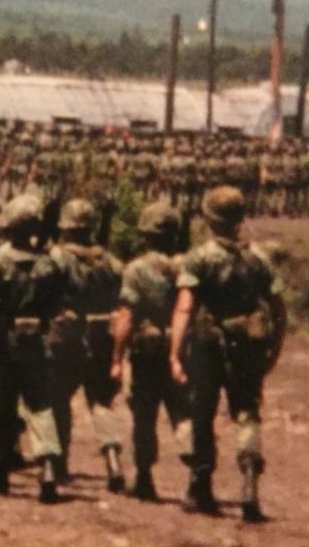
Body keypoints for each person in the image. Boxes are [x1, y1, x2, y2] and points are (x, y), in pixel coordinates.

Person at [169, 186, 287, 522]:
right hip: (248, 345)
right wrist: (274, 349)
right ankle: (249, 480)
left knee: (202, 413)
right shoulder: (259, 258)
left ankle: (200, 486)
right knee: (247, 413)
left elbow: (185, 307)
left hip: (208, 344)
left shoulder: (200, 257)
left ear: (209, 219)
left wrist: (175, 352)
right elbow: (279, 310)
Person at [0, 195, 65, 503]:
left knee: (2, 406)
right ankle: (47, 468)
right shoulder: (49, 264)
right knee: (40, 406)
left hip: (5, 343)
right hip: (37, 343)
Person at [110, 202, 193, 501]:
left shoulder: (136, 269)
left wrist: (117, 358)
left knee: (144, 414)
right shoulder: (189, 266)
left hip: (147, 352)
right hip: (181, 349)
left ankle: (144, 477)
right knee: (182, 411)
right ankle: (195, 462)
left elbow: (127, 316)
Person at [42, 198, 125, 490]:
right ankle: (113, 460)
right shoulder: (110, 261)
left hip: (66, 336)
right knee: (100, 401)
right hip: (102, 336)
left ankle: (58, 464)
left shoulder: (56, 258)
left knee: (58, 400)